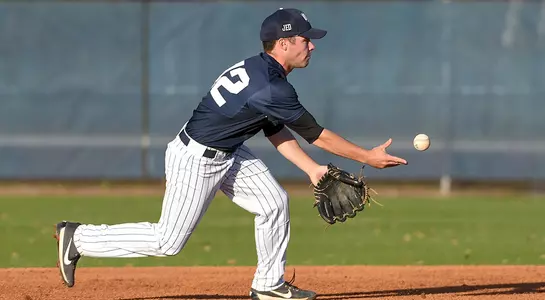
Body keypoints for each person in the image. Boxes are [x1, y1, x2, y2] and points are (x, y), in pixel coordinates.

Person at [54, 8, 407, 300]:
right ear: (283, 44)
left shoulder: (260, 70)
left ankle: (268, 285)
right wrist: (368, 157)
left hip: (227, 153)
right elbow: (316, 134)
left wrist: (312, 170)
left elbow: (272, 127)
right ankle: (79, 237)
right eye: (305, 39)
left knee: (273, 204)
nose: (311, 46)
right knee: (168, 241)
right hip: (196, 160)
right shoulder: (272, 85)